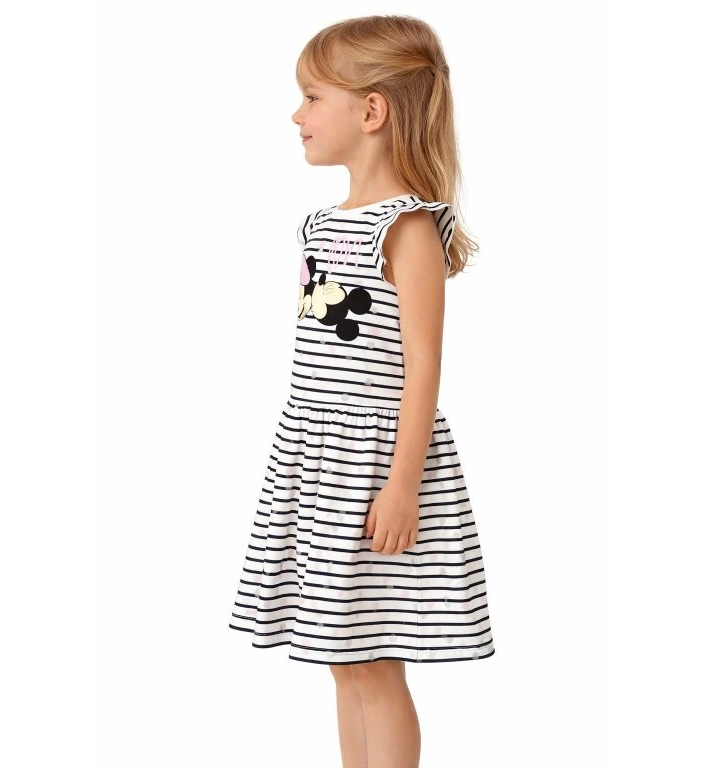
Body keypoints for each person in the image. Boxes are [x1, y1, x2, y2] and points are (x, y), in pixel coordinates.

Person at [227, 14, 495, 768]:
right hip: (317, 459)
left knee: (374, 662)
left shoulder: (406, 227)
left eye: (313, 97)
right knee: (341, 659)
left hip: (374, 463)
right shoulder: (319, 224)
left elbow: (423, 366)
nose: (297, 115)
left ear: (371, 111)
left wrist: (402, 484)